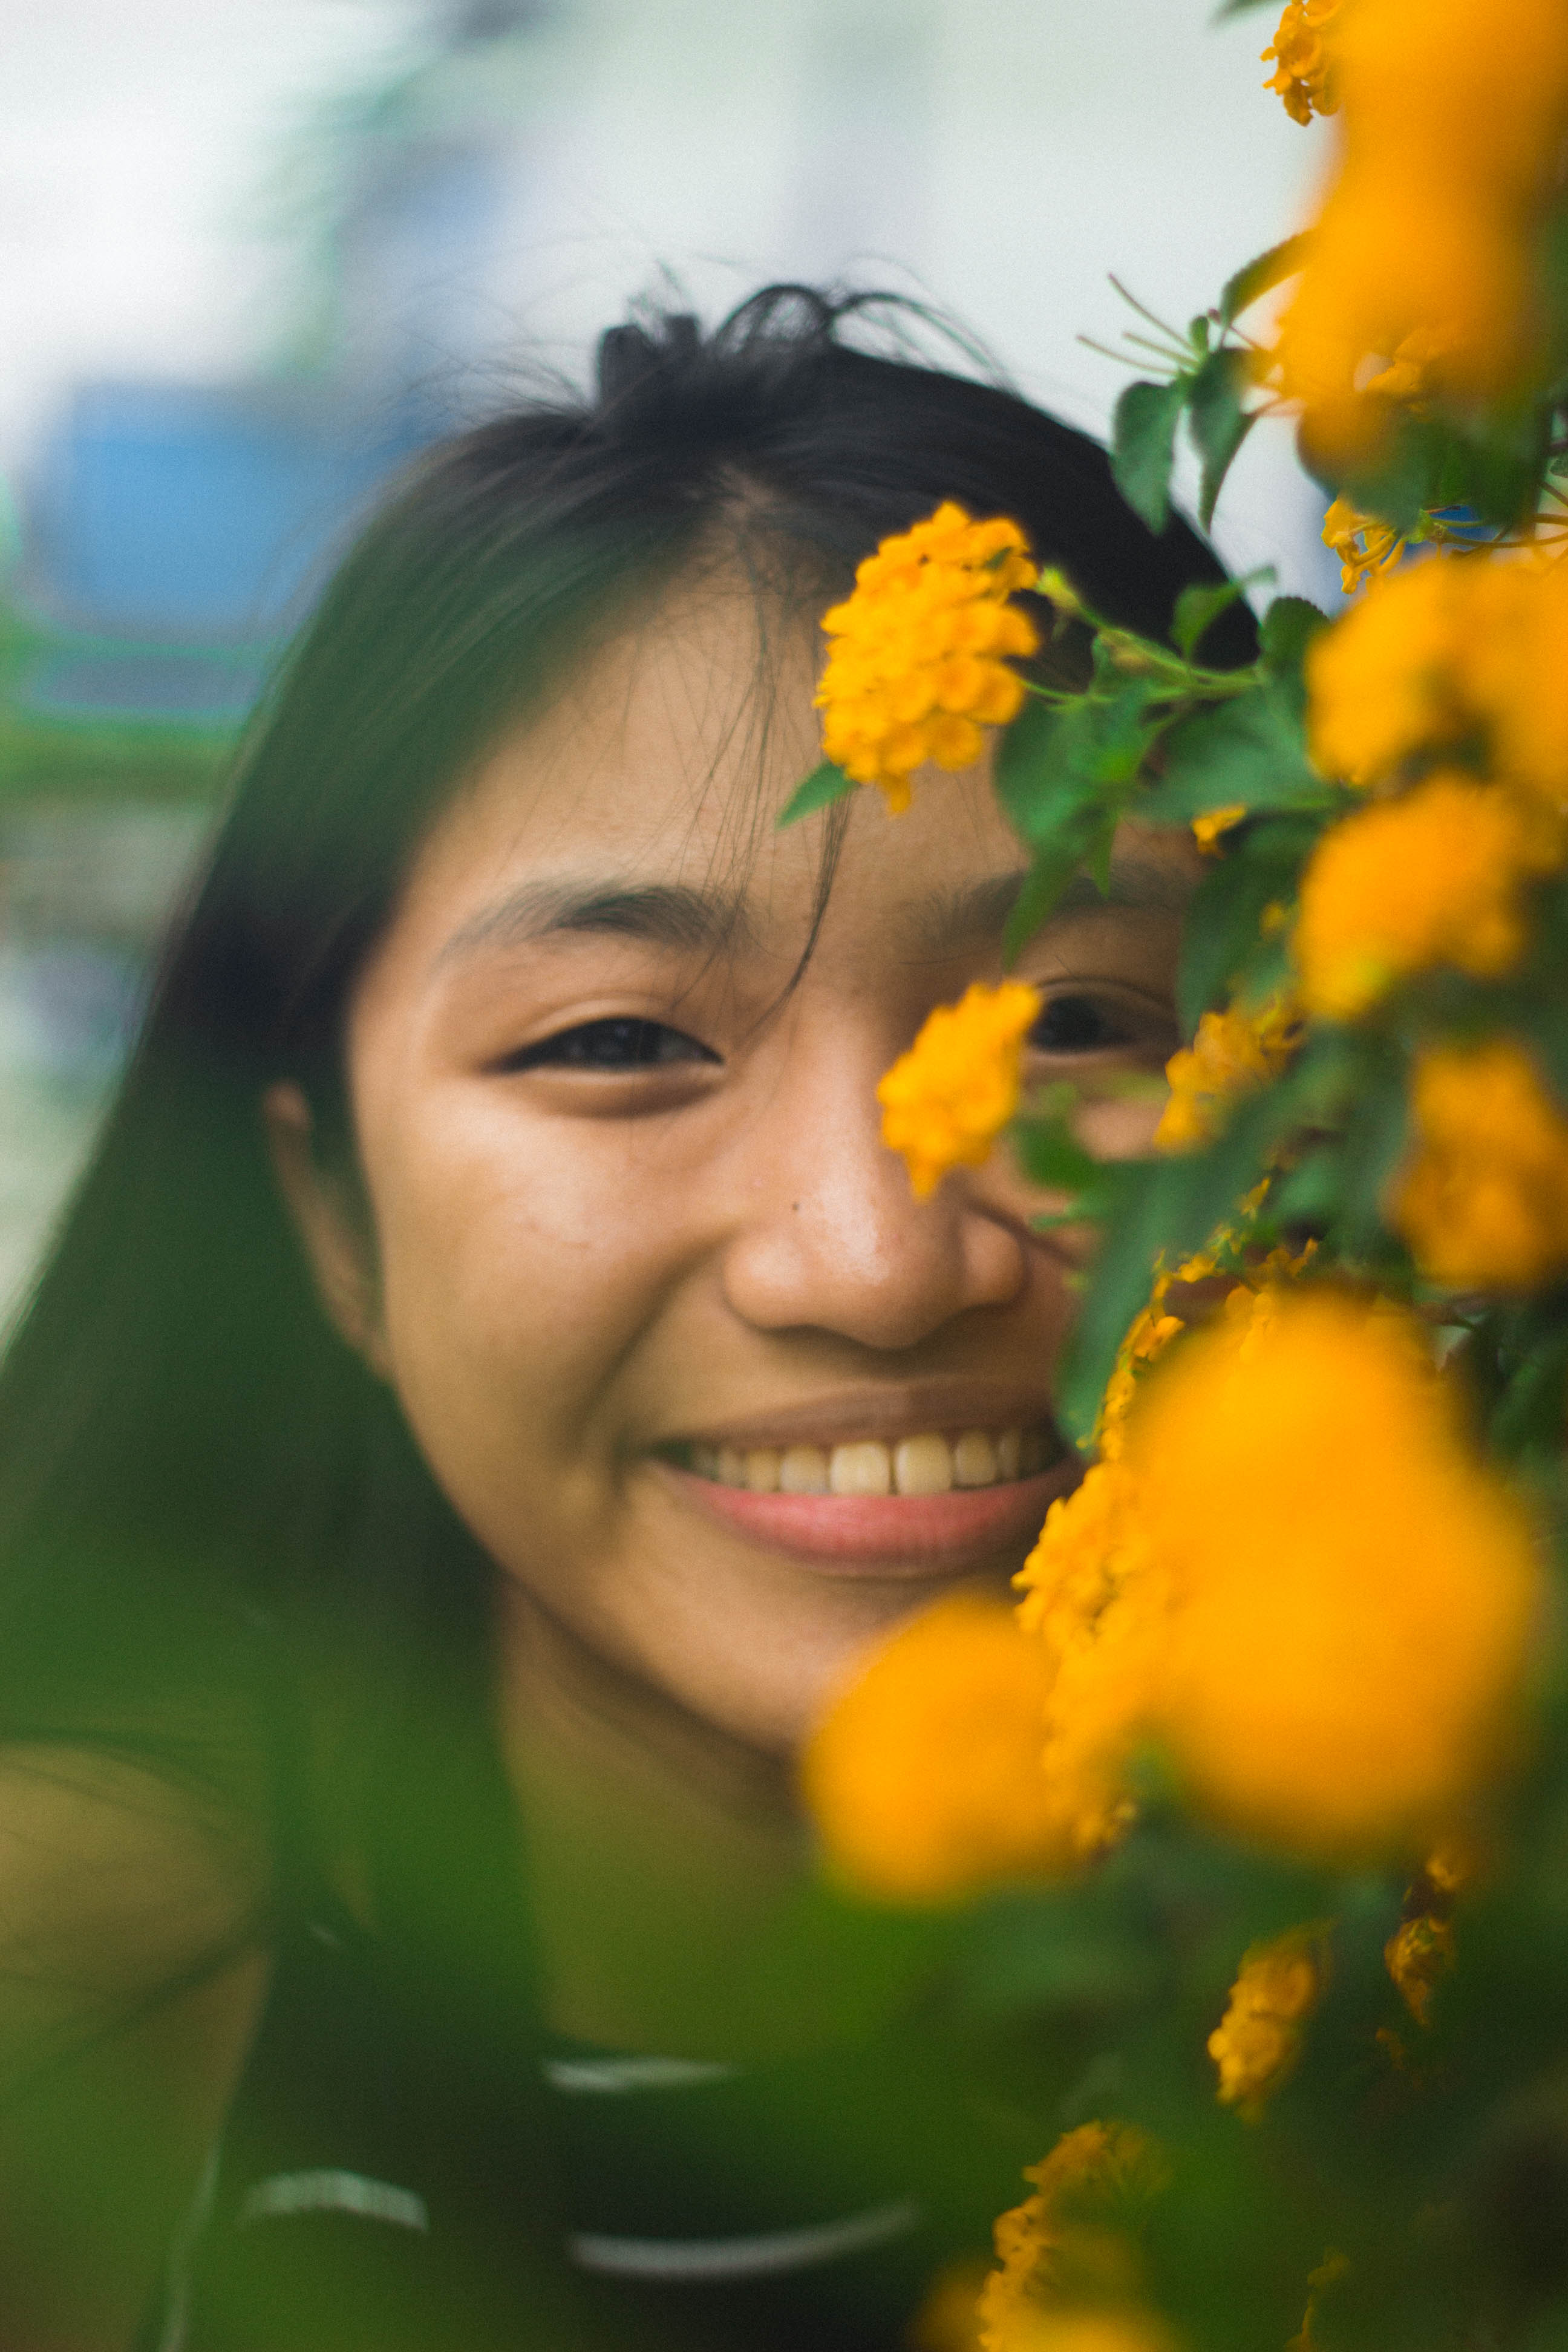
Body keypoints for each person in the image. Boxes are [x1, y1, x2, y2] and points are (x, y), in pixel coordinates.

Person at [0, 288, 1253, 2352]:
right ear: (330, 1217)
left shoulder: (1467, 1992)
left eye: (1082, 1019)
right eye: (618, 1039)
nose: (869, 1258)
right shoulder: (81, 2021)